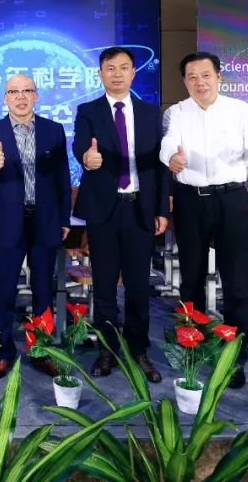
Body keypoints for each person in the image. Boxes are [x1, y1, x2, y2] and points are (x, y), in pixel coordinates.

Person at [159, 51, 248, 388]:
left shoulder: (240, 110)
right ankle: (191, 347)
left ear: (219, 76)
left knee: (235, 280)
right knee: (190, 278)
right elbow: (167, 143)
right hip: (190, 200)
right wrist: (171, 158)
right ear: (185, 81)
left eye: (205, 75)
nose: (200, 82)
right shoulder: (176, 112)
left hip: (231, 198)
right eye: (192, 77)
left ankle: (235, 357)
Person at [73, 47, 169, 382]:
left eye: (123, 67)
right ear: (100, 73)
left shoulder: (150, 113)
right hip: (105, 210)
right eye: (110, 68)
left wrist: (161, 208)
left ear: (133, 72)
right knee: (103, 284)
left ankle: (138, 349)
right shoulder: (88, 111)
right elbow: (81, 147)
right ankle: (106, 349)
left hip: (140, 208)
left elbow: (160, 165)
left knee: (139, 285)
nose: (117, 73)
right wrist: (88, 159)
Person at [0, 74, 70, 380]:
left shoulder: (53, 130)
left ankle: (41, 350)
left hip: (45, 220)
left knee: (43, 288)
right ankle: (3, 351)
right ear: (5, 98)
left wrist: (64, 218)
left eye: (27, 90)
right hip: (8, 221)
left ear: (36, 95)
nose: (20, 96)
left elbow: (63, 178)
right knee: (4, 289)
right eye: (13, 92)